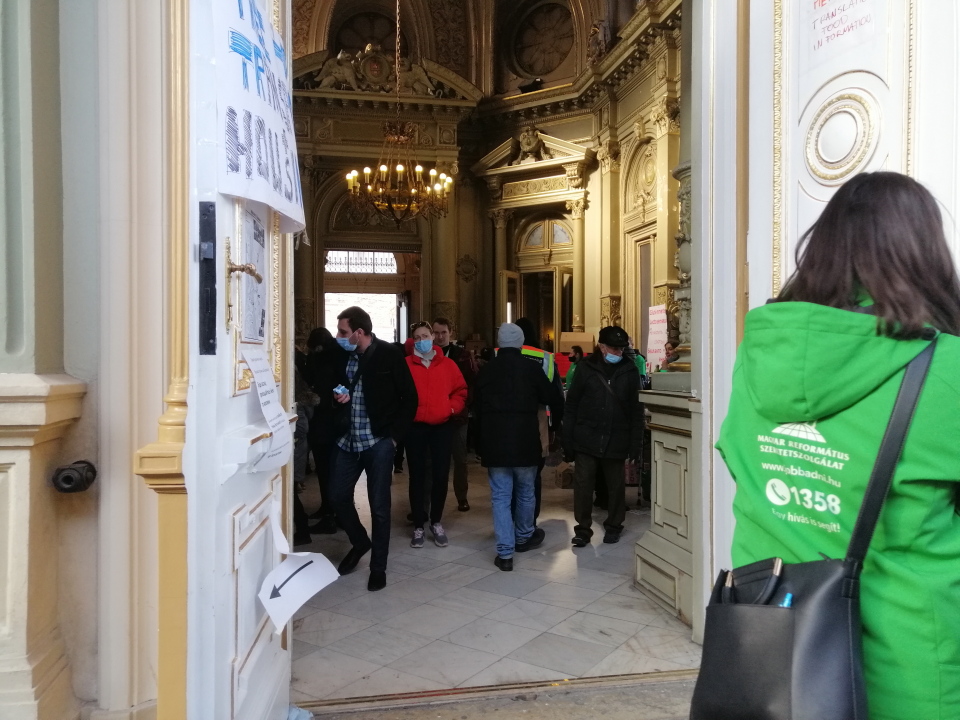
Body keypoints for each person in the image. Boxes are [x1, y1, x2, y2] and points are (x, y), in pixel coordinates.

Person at [715, 171, 960, 719]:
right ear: (926, 253)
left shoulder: (757, 355)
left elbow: (738, 460)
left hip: (775, 663)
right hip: (910, 671)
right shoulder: (949, 371)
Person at [327, 306, 418, 591]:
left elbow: (410, 398)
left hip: (378, 442)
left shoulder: (389, 354)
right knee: (336, 496)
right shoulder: (341, 355)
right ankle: (359, 542)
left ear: (359, 332)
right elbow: (332, 386)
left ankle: (378, 567)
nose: (338, 336)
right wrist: (336, 397)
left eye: (343, 331)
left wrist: (394, 438)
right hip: (347, 440)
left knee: (379, 507)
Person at [474, 323, 564, 570]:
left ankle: (505, 554)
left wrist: (479, 444)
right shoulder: (531, 369)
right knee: (526, 492)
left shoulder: (487, 371)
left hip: (495, 443)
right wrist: (554, 427)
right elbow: (553, 398)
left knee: (501, 497)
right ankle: (523, 537)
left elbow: (476, 411)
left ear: (499, 342)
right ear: (521, 343)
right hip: (526, 442)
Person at [563, 326, 644, 546]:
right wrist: (567, 439)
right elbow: (572, 405)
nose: (618, 353)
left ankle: (614, 525)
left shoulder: (629, 370)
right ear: (601, 346)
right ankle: (582, 529)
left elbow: (636, 411)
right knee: (583, 486)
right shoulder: (585, 368)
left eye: (621, 349)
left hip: (616, 437)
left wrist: (635, 444)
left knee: (615, 487)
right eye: (614, 348)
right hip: (586, 437)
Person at [405, 321, 467, 548]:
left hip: (442, 426)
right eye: (417, 337)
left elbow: (461, 390)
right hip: (416, 428)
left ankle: (436, 521)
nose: (421, 340)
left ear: (432, 337)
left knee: (441, 475)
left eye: (425, 336)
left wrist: (451, 408)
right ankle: (418, 524)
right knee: (417, 476)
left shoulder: (448, 365)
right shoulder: (406, 365)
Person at [513, 317, 565, 531]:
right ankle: (529, 524)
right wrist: (555, 427)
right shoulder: (545, 357)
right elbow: (557, 396)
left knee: (509, 477)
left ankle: (511, 522)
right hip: (537, 421)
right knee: (533, 475)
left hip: (507, 421)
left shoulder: (502, 355)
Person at [295, 327, 342, 534]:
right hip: (331, 423)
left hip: (325, 423)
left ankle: (330, 514)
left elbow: (315, 384)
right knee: (329, 471)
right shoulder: (336, 356)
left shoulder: (324, 359)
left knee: (327, 470)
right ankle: (330, 510)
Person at [432, 317, 478, 511]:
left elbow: (471, 383)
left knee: (460, 459)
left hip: (457, 416)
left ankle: (462, 496)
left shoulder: (462, 355)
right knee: (433, 460)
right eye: (437, 333)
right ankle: (432, 499)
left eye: (444, 332)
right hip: (434, 415)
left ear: (450, 333)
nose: (440, 336)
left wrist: (463, 406)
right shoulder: (427, 354)